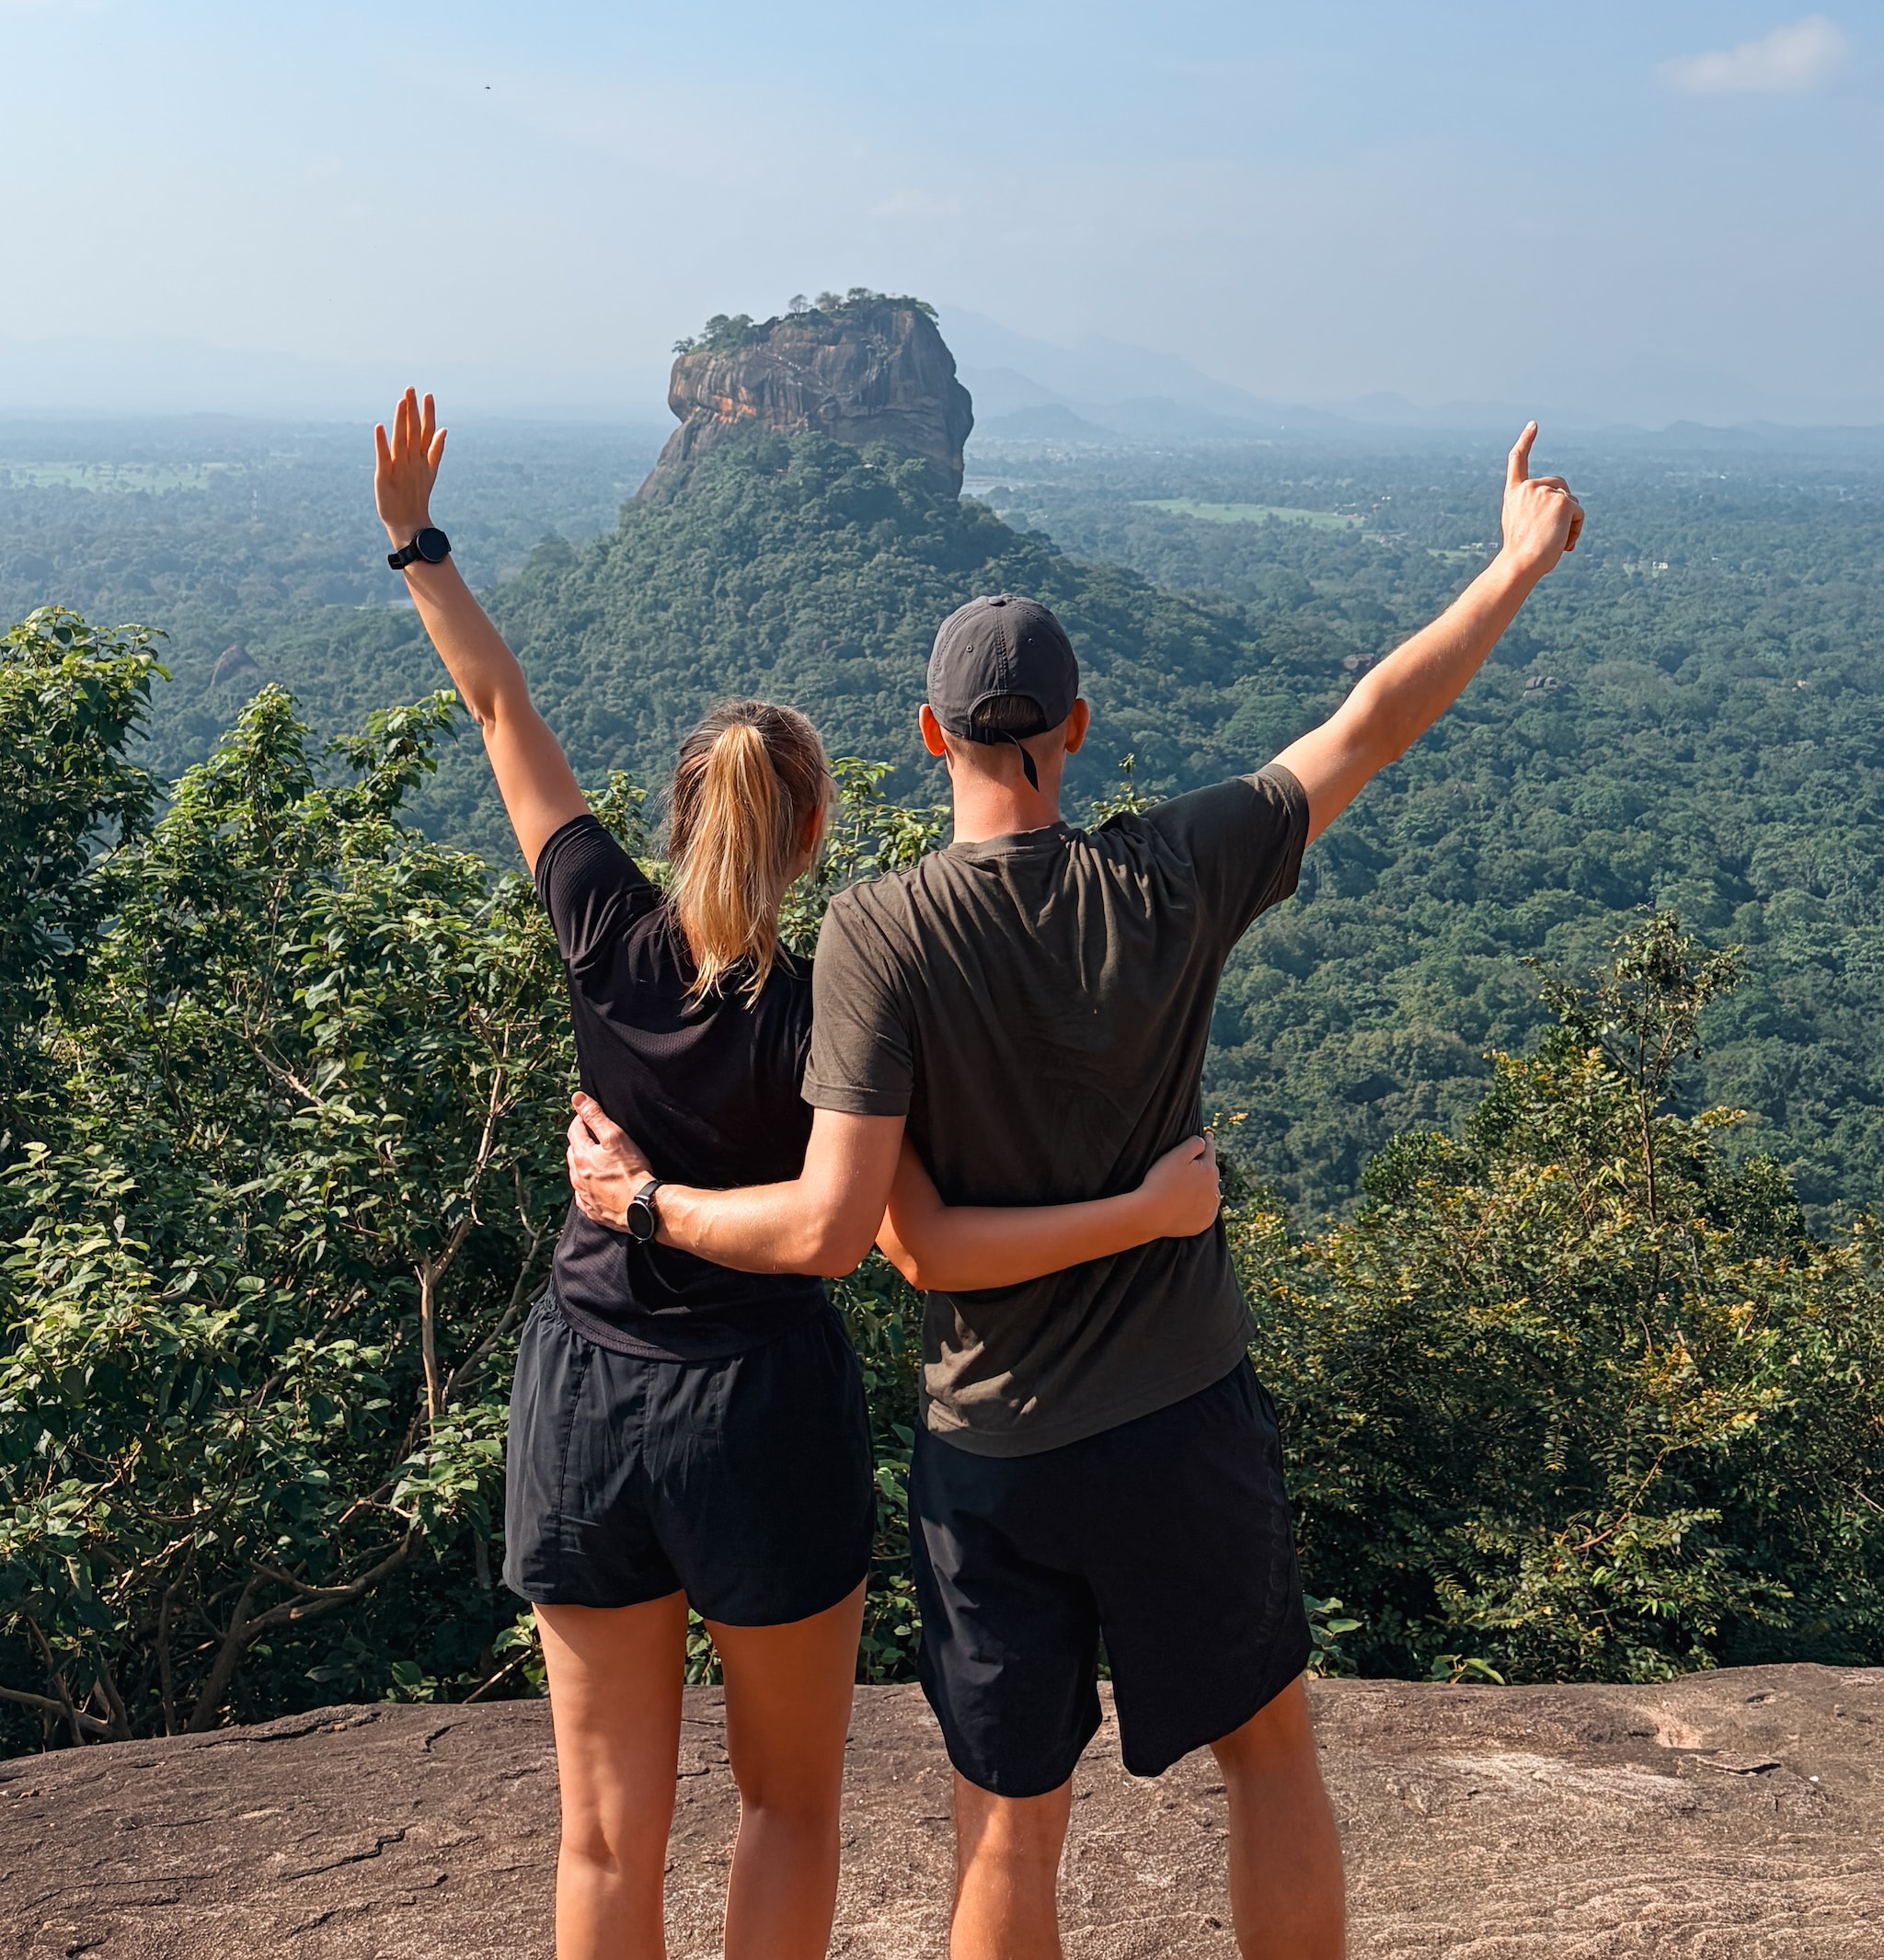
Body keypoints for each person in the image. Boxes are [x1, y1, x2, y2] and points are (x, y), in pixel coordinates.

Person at [568, 424, 1585, 1960]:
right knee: (1271, 1758)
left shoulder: (878, 936)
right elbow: (1369, 722)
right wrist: (1511, 565)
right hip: (1185, 1413)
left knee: (1007, 1829)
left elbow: (881, 1238)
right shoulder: (1173, 875)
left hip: (995, 1451)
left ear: (929, 733)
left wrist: (642, 1203)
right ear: (1080, 724)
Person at [372, 387, 1226, 1960]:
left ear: (677, 818)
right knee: (784, 1806)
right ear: (820, 825)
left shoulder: (604, 936)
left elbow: (503, 717)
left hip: (586, 1395)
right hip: (755, 1410)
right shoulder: (849, 987)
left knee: (608, 1834)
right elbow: (862, 1229)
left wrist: (421, 546)